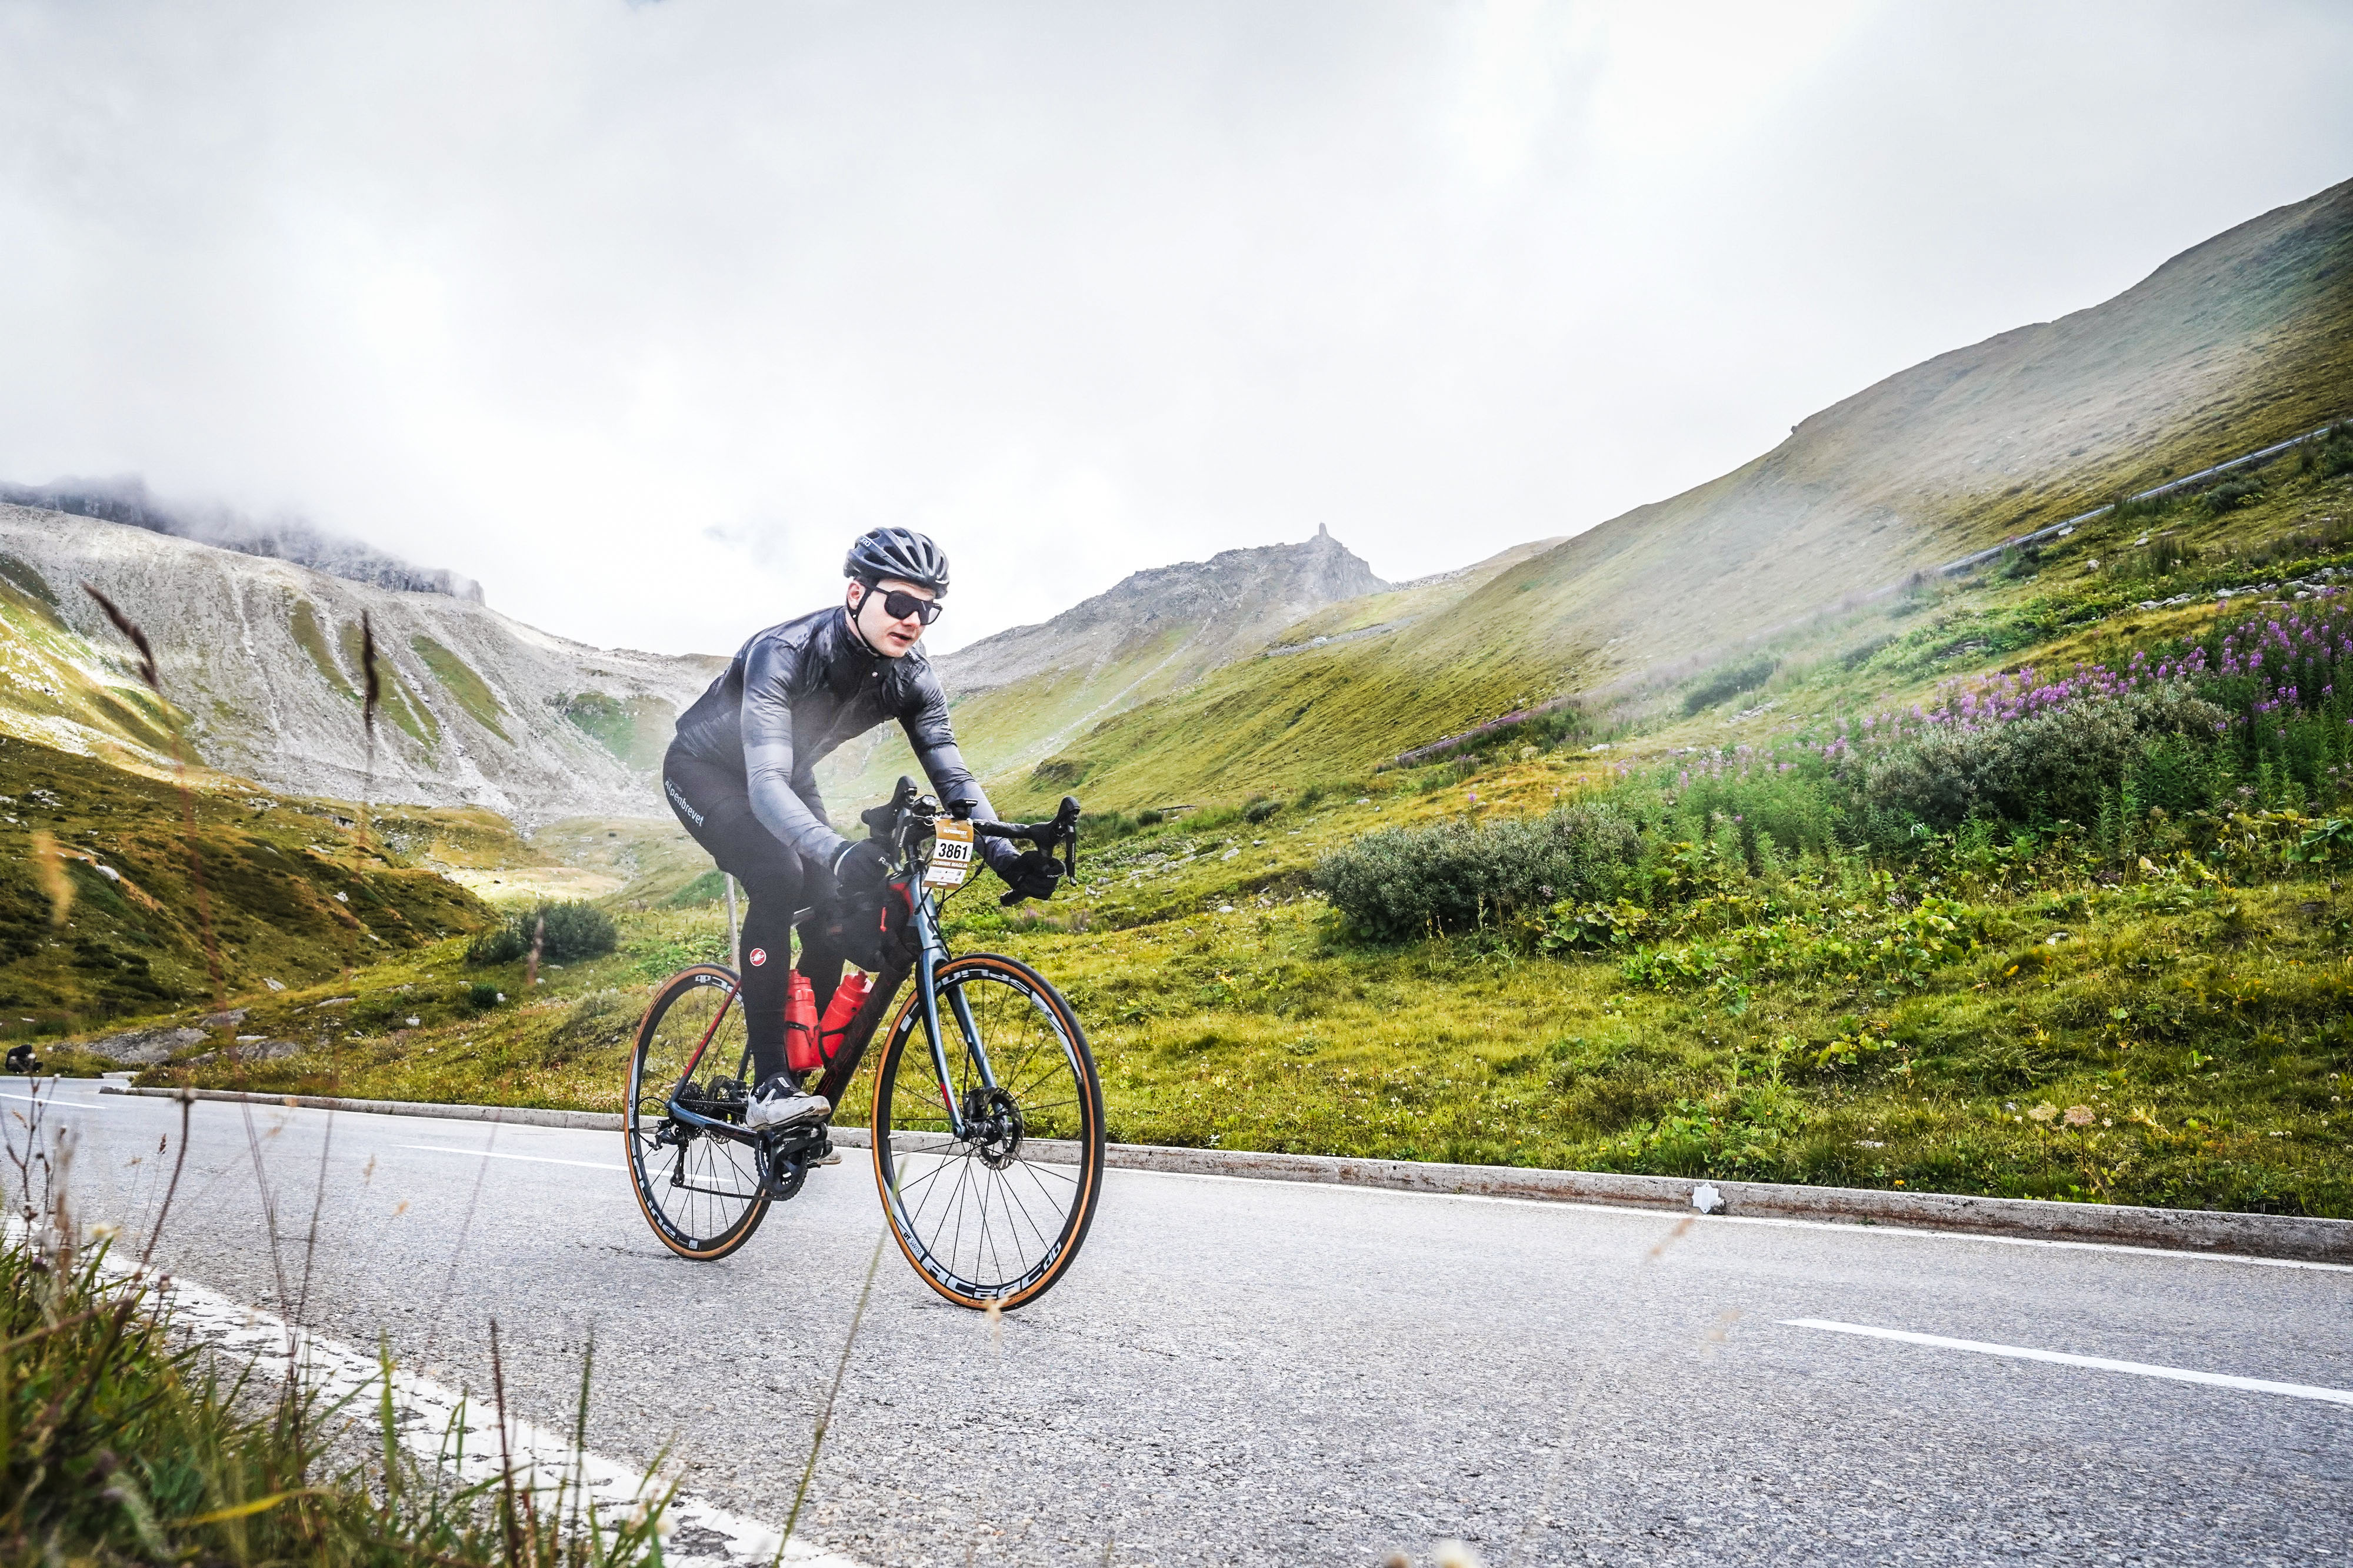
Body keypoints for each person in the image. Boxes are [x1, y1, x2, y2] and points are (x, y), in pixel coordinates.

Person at [664, 527, 1062, 1129]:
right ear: (856, 593)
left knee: (831, 911)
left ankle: (794, 1095)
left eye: (927, 609)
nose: (913, 621)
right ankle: (769, 1086)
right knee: (778, 872)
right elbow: (764, 785)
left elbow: (953, 778)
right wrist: (837, 850)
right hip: (706, 770)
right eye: (899, 603)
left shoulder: (912, 677)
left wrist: (1007, 857)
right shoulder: (784, 651)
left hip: (789, 773)